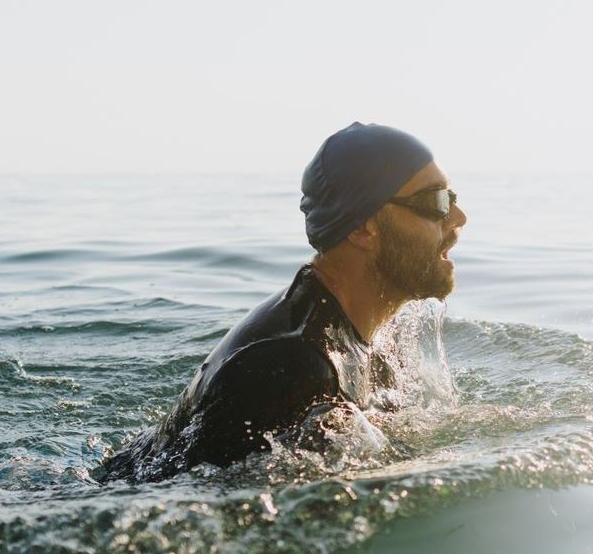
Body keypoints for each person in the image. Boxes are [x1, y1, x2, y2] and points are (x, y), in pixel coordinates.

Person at [98, 122, 468, 484]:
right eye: (435, 202)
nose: (458, 217)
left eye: (451, 198)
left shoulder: (369, 342)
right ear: (361, 228)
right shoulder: (292, 367)